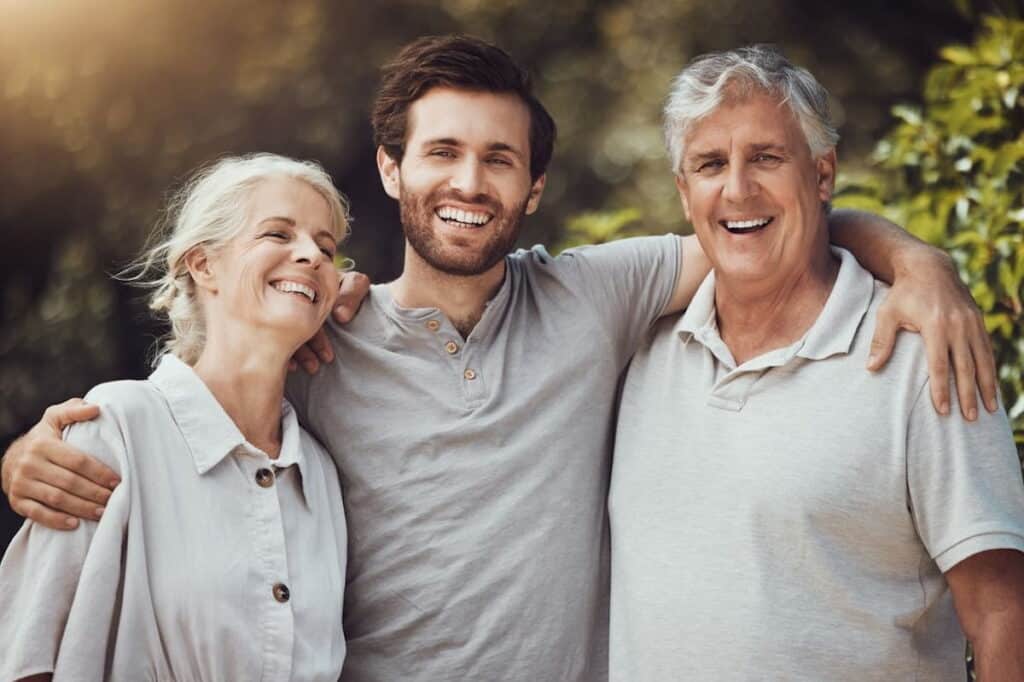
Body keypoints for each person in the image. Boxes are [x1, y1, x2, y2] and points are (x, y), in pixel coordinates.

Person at [0, 36, 1002, 681]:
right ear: (392, 167)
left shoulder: (595, 296)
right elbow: (200, 420)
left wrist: (917, 262)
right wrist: (32, 455)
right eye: (440, 152)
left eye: (499, 160)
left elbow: (758, 224)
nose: (467, 182)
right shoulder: (325, 337)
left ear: (532, 189)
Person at [609, 46, 1024, 681]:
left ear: (823, 175)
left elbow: (1002, 611)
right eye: (711, 164)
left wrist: (922, 264)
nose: (738, 188)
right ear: (683, 191)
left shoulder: (923, 353)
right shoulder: (634, 344)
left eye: (767, 158)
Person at [0, 154, 351, 680]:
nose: (313, 256)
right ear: (203, 265)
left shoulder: (321, 473)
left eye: (326, 247)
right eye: (278, 234)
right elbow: (27, 661)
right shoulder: (113, 427)